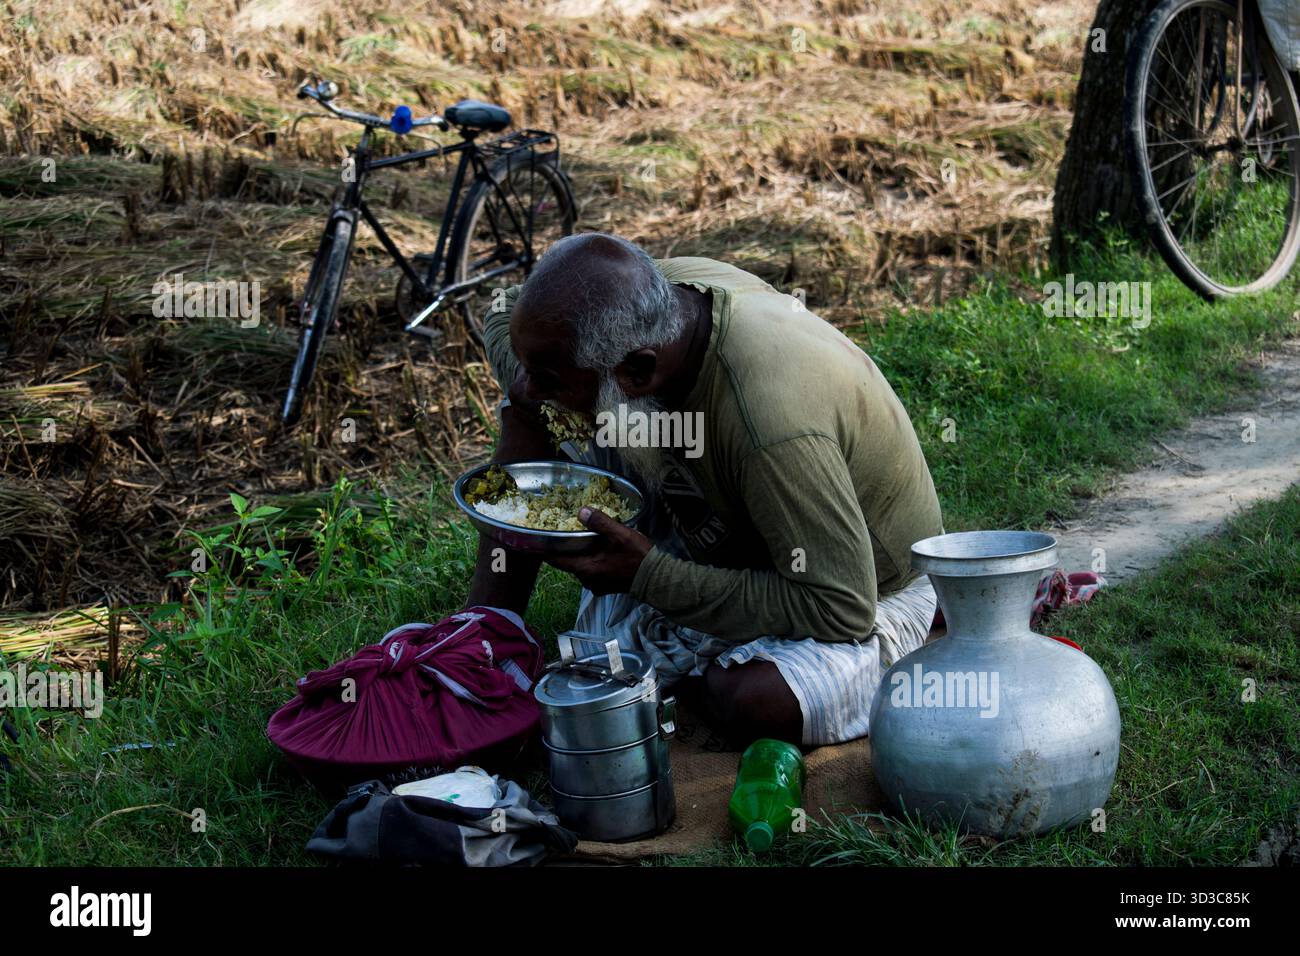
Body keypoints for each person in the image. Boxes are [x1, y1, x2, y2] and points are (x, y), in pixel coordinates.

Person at [465, 233, 944, 747]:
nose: (528, 385)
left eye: (548, 376)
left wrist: (651, 576)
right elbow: (512, 313)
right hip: (728, 519)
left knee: (756, 701)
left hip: (869, 586)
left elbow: (839, 605)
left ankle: (935, 620)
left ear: (640, 369)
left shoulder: (770, 424)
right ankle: (484, 638)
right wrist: (527, 409)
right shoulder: (649, 301)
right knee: (537, 408)